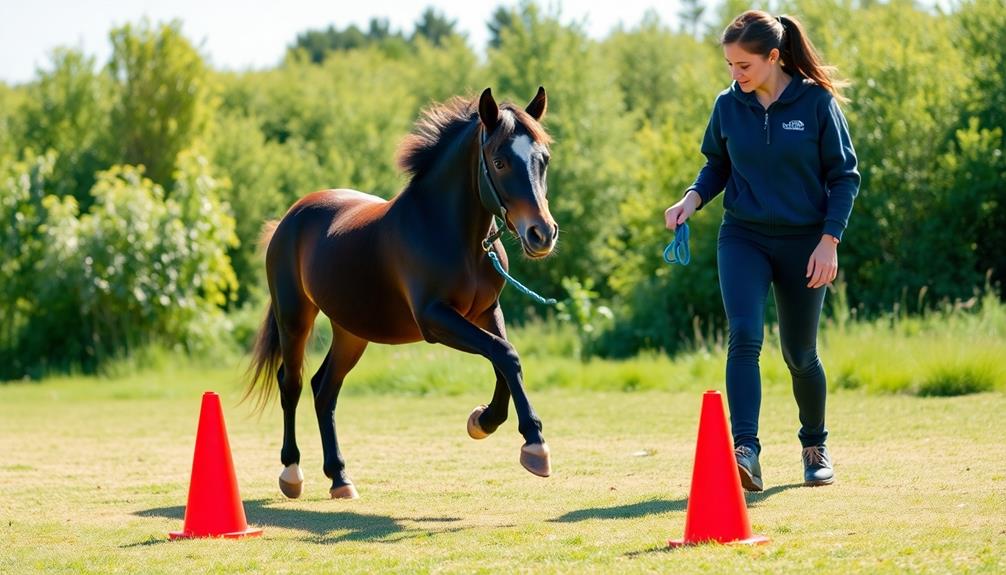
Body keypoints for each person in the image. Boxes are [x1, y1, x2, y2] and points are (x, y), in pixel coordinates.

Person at [664, 10, 860, 491]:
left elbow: (844, 177)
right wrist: (691, 198)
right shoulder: (728, 106)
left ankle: (814, 445)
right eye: (730, 65)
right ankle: (745, 451)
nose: (735, 75)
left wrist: (829, 241)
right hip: (743, 237)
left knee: (799, 354)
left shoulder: (816, 103)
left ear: (774, 57)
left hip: (805, 244)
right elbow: (716, 165)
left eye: (744, 66)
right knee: (745, 336)